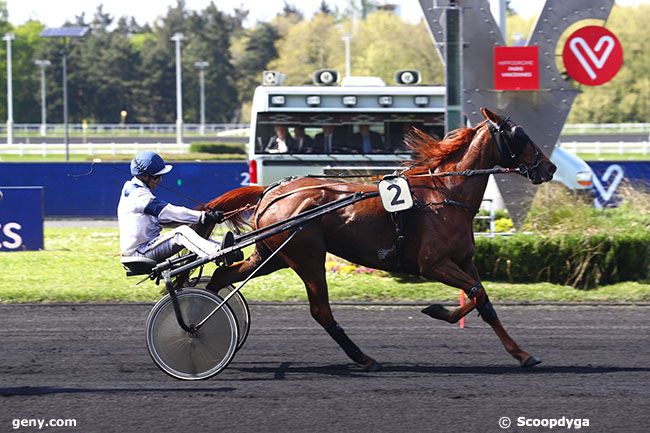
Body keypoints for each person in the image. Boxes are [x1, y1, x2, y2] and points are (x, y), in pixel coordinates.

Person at [118, 150, 224, 262]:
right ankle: (217, 254)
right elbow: (167, 211)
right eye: (156, 177)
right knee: (181, 233)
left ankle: (222, 247)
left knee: (189, 231)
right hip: (139, 252)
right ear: (144, 176)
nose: (160, 180)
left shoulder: (134, 189)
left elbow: (163, 219)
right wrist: (203, 216)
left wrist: (196, 220)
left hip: (146, 247)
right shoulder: (138, 195)